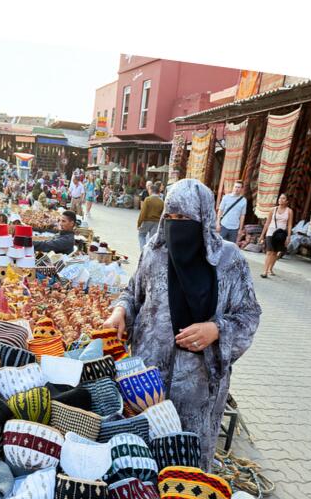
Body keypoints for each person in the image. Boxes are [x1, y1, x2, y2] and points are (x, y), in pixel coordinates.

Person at [103, 179, 261, 470]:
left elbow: (248, 314)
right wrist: (119, 312)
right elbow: (133, 294)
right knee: (143, 457)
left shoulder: (228, 260)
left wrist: (216, 330)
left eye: (185, 218)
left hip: (199, 388)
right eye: (171, 217)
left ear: (203, 218)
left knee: (187, 466)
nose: (177, 226)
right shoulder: (154, 252)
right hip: (146, 382)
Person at [260, 193, 293, 278]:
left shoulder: (289, 211)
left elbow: (289, 225)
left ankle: (270, 268)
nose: (280, 200)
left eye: (283, 199)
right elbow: (267, 223)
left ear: (287, 201)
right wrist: (262, 235)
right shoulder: (273, 210)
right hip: (271, 233)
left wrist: (288, 237)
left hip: (280, 235)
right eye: (280, 198)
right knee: (269, 252)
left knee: (275, 253)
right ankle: (265, 271)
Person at [137, 180, 165, 249]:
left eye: (149, 190)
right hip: (156, 222)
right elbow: (163, 214)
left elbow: (143, 213)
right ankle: (149, 252)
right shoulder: (161, 201)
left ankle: (143, 251)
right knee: (152, 239)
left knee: (141, 235)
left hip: (147, 221)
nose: (148, 191)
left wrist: (139, 223)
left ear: (151, 191)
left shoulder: (148, 199)